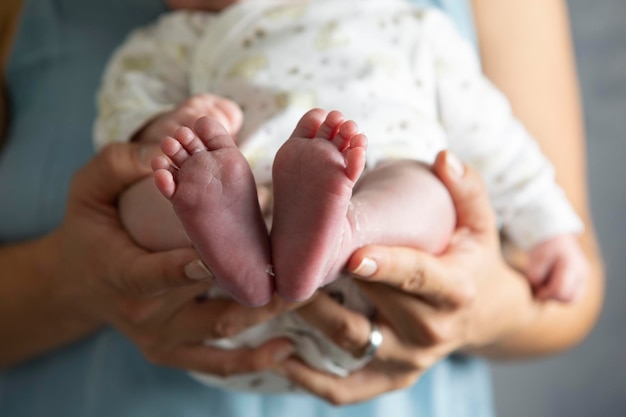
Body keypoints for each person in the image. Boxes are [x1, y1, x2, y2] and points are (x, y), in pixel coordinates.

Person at [0, 0, 604, 416]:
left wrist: (547, 232)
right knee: (143, 189)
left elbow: (494, 139)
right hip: (192, 287)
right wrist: (165, 127)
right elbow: (121, 121)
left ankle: (341, 229)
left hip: (381, 274)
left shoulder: (408, 23)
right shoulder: (172, 36)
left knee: (430, 186)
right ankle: (235, 231)